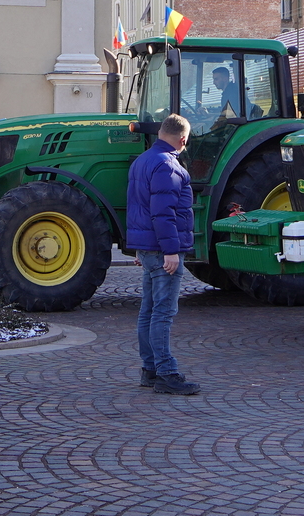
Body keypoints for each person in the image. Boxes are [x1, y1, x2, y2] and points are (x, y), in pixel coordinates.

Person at [125, 113, 198, 396]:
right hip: (164, 249)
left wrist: (140, 247)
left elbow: (137, 208)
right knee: (163, 313)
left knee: (148, 311)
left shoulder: (142, 161)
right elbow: (163, 213)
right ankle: (166, 372)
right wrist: (171, 251)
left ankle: (150, 370)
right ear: (183, 139)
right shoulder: (168, 165)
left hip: (148, 247)